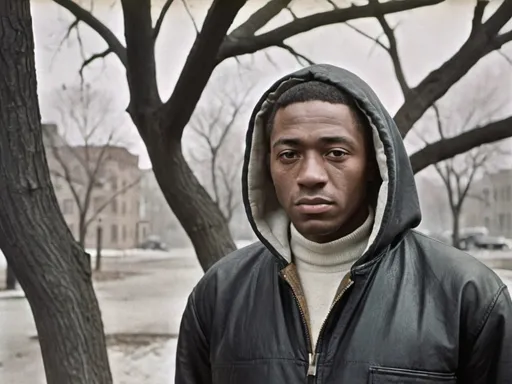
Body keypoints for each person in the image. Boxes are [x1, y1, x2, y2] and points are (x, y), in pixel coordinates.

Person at [175, 64, 512, 383]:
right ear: (268, 168)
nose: (310, 175)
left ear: (373, 165)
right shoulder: (219, 294)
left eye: (335, 153)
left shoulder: (466, 295)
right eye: (289, 155)